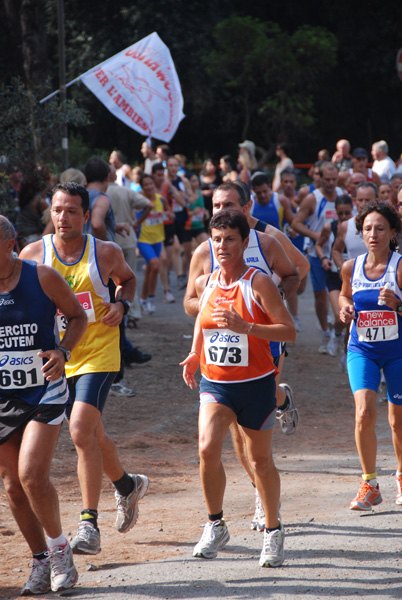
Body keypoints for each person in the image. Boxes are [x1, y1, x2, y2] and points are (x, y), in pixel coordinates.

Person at [20, 182, 149, 555]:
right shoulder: (34, 254)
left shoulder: (104, 252)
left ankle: (88, 524)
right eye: (57, 210)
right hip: (58, 358)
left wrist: (121, 305)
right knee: (91, 434)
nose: (63, 217)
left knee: (78, 430)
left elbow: (128, 280)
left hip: (98, 352)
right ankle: (126, 485)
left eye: (72, 211)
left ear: (86, 215)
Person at [180, 209, 296, 567]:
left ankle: (274, 530)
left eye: (230, 239)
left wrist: (248, 328)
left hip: (257, 384)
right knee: (206, 448)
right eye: (216, 239)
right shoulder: (207, 282)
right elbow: (202, 318)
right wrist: (194, 353)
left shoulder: (258, 282)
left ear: (245, 242)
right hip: (217, 385)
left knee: (260, 461)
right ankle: (216, 524)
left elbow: (288, 330)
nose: (222, 246)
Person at [0, 216, 87, 594]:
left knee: (32, 476)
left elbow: (78, 316)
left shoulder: (42, 276)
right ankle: (40, 561)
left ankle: (60, 551)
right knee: (13, 487)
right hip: (3, 395)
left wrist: (63, 350)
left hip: (44, 389)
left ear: (10, 243)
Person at [339, 202, 402, 510]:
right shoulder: (351, 267)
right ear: (360, 233)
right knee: (363, 412)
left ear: (392, 232)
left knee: (397, 421)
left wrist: (398, 305)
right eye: (367, 229)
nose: (373, 234)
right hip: (361, 348)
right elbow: (344, 294)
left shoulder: (400, 267)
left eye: (380, 228)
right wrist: (344, 307)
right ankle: (370, 483)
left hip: (397, 352)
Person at [291, 161, 343, 353]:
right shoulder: (313, 198)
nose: (330, 183)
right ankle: (324, 332)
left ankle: (340, 333)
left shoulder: (343, 195)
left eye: (334, 179)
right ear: (319, 177)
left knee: (343, 296)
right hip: (317, 254)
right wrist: (317, 236)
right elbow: (296, 223)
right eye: (327, 179)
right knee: (320, 297)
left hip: (341, 254)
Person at [314, 195, 354, 359]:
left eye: (347, 213)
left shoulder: (359, 227)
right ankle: (336, 335)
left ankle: (347, 354)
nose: (344, 217)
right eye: (341, 213)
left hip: (352, 278)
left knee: (351, 320)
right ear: (335, 213)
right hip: (335, 278)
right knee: (340, 316)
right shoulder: (329, 228)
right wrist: (324, 258)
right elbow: (318, 244)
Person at [136, 174, 174, 314]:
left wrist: (169, 215)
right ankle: (151, 298)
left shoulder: (161, 199)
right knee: (155, 265)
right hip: (143, 240)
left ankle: (143, 299)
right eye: (145, 184)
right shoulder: (140, 201)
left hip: (158, 239)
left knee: (150, 270)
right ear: (142, 187)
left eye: (150, 183)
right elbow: (134, 217)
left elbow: (171, 215)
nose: (149, 187)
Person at [182, 173, 209, 275]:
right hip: (187, 227)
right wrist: (193, 212)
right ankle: (183, 274)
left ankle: (205, 271)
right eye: (193, 181)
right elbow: (185, 211)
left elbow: (201, 208)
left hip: (198, 226)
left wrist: (204, 212)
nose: (196, 183)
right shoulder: (184, 195)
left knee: (207, 246)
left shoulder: (199, 193)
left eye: (196, 180)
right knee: (188, 254)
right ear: (188, 183)